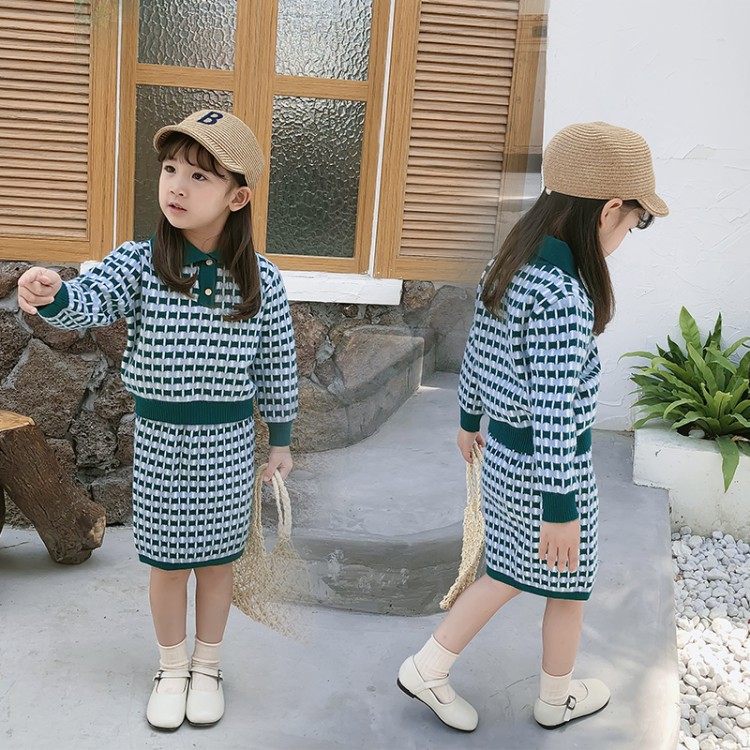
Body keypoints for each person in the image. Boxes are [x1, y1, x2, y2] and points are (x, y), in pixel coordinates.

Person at [17, 110, 298, 731]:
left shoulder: (263, 281)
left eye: (199, 176)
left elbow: (277, 364)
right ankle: (172, 669)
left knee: (217, 562)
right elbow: (89, 300)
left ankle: (208, 667)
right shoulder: (139, 263)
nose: (177, 186)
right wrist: (53, 292)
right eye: (171, 170)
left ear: (237, 196)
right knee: (168, 562)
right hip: (160, 442)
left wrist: (280, 440)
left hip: (228, 444)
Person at [397, 122, 668, 731]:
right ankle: (506, 686)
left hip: (505, 456)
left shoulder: (509, 263)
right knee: (557, 582)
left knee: (511, 573)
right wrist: (561, 509)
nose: (625, 237)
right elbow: (553, 413)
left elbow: (477, 349)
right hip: (550, 473)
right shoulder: (563, 297)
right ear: (609, 210)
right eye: (631, 224)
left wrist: (469, 418)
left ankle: (452, 672)